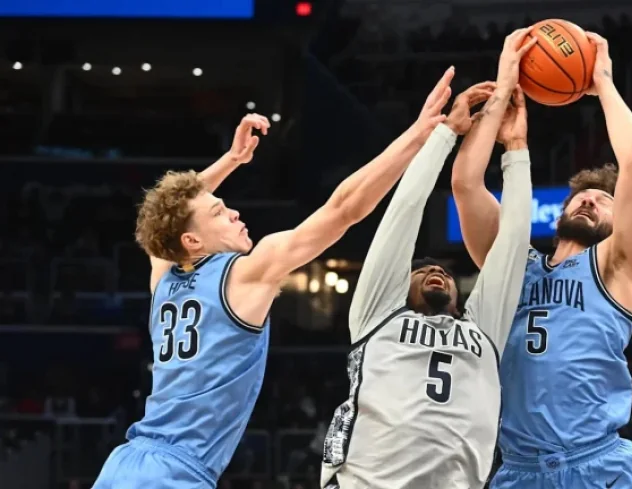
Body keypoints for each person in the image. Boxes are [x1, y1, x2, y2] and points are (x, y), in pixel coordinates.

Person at [92, 69, 455, 489]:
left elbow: (162, 222)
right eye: (219, 214)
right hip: (174, 474)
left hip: (125, 464)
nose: (234, 213)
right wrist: (416, 136)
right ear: (192, 240)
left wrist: (231, 161)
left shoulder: (165, 276)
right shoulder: (242, 275)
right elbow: (342, 210)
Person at [320, 29, 536, 489]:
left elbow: (513, 243)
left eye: (443, 271)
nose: (437, 270)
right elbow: (404, 211)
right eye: (422, 271)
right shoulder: (377, 313)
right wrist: (445, 135)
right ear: (402, 286)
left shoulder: (484, 329)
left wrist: (516, 150)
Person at [451, 32, 632, 488]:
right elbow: (466, 185)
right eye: (582, 197)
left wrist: (602, 80)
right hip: (519, 470)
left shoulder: (616, 267)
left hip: (599, 464)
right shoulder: (511, 265)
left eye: (603, 201)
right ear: (561, 211)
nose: (589, 202)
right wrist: (503, 93)